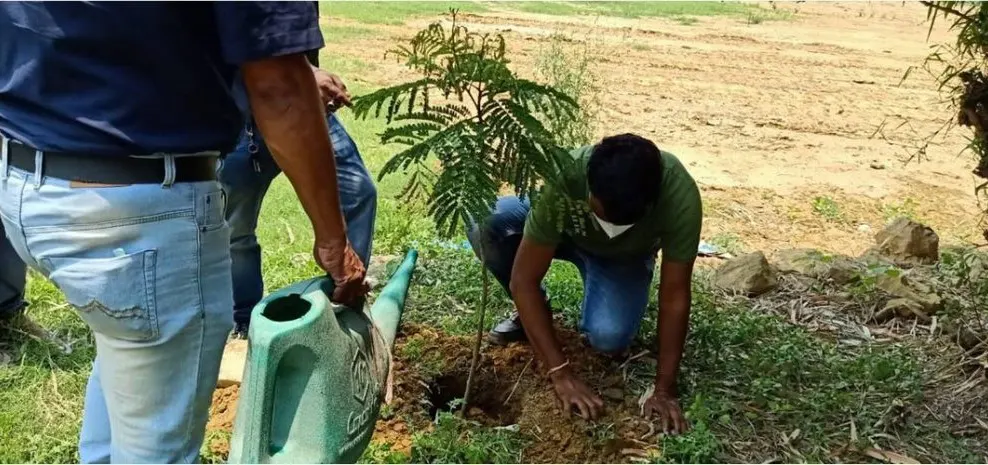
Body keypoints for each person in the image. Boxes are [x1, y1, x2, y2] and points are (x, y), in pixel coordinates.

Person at [0, 2, 367, 462]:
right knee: (157, 448)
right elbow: (279, 86)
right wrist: (334, 240)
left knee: (128, 348)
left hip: (29, 182)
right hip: (138, 214)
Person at [467, 133, 702, 433]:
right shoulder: (567, 176)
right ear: (590, 188)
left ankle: (604, 284)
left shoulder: (678, 195)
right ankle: (532, 316)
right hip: (566, 231)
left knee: (609, 336)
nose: (610, 226)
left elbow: (675, 297)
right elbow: (523, 280)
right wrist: (560, 373)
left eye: (622, 222)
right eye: (603, 215)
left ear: (650, 204)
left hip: (623, 258)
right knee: (486, 223)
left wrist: (665, 390)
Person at [221, 3, 376, 338]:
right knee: (236, 228)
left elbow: (278, 39)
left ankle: (344, 301)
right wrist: (301, 77)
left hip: (299, 104)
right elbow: (265, 66)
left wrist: (304, 74)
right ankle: (244, 322)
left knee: (358, 192)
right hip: (246, 115)